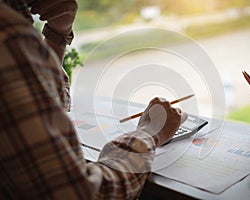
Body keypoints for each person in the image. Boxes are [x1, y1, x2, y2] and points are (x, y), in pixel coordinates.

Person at [0, 0, 187, 199]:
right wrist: (150, 133)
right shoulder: (8, 35)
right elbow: (83, 195)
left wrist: (57, 36)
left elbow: (40, 109)